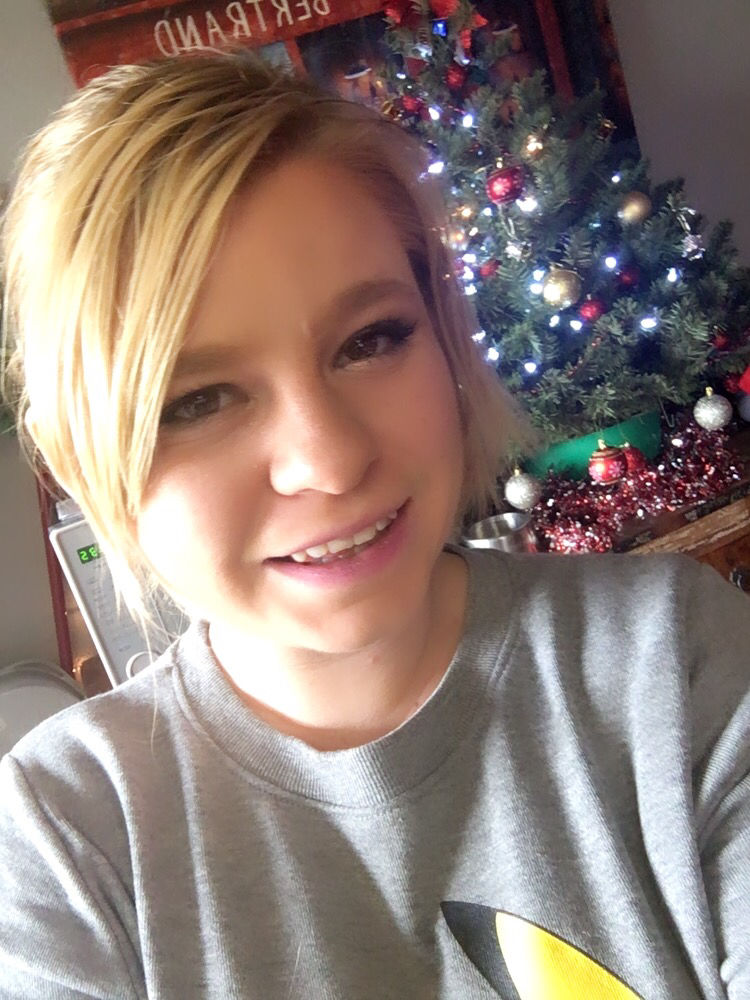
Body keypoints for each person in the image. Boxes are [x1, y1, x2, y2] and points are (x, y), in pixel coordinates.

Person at [0, 52, 748, 1000]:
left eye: (371, 340)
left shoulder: (673, 661)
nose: (329, 460)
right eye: (198, 400)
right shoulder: (64, 841)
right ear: (80, 465)